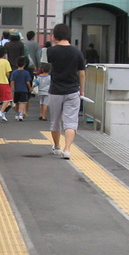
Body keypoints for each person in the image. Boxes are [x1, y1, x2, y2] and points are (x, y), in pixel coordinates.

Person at [45, 23, 86, 158]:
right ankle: (67, 149)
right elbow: (82, 74)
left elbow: (49, 64)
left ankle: (57, 146)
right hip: (73, 90)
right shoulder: (77, 52)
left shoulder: (51, 51)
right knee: (71, 122)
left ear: (55, 36)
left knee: (55, 121)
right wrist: (82, 91)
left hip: (56, 90)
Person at [10, 56, 33, 120]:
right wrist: (30, 88)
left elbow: (12, 82)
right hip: (24, 90)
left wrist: (12, 90)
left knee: (16, 102)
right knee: (22, 102)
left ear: (16, 64)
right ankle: (21, 113)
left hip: (16, 90)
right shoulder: (26, 73)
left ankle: (17, 113)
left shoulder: (14, 72)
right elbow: (28, 82)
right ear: (25, 64)